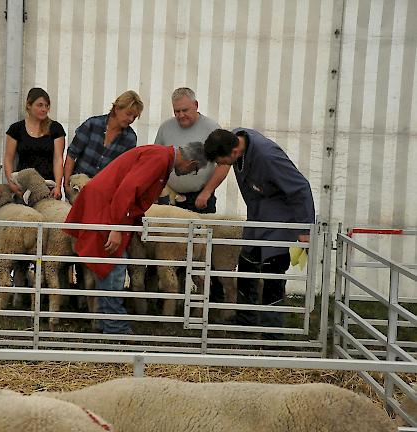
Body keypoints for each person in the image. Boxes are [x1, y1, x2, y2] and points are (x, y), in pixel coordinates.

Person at [64, 142, 206, 334]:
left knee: (108, 266)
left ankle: (104, 323)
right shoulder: (159, 158)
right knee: (114, 267)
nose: (191, 173)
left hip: (107, 207)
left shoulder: (161, 156)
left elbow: (135, 191)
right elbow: (128, 188)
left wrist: (136, 221)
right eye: (195, 169)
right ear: (191, 162)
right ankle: (115, 328)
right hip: (107, 209)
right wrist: (116, 227)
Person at [204, 128, 315, 337]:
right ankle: (246, 325)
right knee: (247, 266)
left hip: (281, 220)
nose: (221, 166)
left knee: (273, 273)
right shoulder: (237, 142)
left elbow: (300, 187)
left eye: (222, 162)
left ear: (234, 151)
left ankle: (271, 334)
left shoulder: (267, 156)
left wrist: (305, 227)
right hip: (257, 216)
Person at [154, 88, 230, 213]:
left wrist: (207, 192)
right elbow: (156, 162)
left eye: (185, 110)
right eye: (176, 111)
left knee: (201, 232)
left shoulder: (212, 129)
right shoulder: (165, 128)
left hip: (200, 198)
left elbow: (225, 163)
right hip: (170, 199)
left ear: (196, 105)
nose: (180, 115)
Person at [63, 90, 144, 202]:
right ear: (116, 109)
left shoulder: (130, 138)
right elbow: (72, 154)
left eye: (134, 117)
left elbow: (124, 172)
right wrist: (66, 184)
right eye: (128, 114)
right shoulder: (92, 124)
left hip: (103, 194)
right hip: (78, 187)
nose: (131, 119)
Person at [4, 88, 66, 199]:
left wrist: (58, 186)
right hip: (23, 187)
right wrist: (11, 182)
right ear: (29, 105)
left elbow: (58, 159)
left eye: (47, 106)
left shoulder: (56, 128)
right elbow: (8, 159)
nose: (44, 109)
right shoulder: (16, 129)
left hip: (48, 186)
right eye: (40, 105)